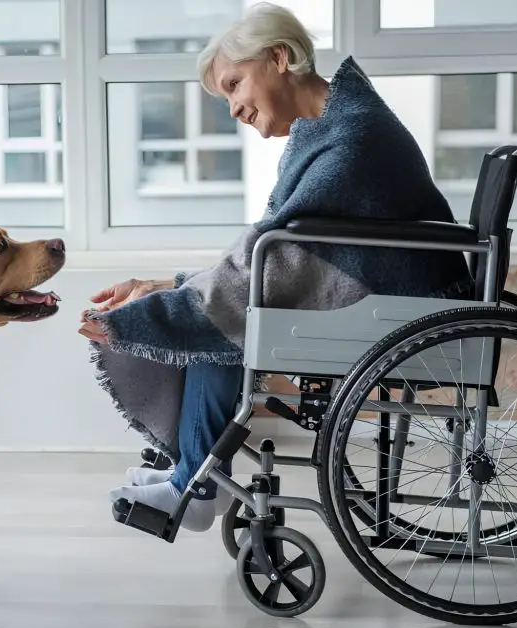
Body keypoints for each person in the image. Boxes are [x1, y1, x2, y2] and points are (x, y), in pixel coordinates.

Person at [79, 2, 473, 532]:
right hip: (394, 299)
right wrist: (166, 287)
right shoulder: (333, 125)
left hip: (404, 315)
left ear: (280, 58)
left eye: (235, 84)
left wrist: (141, 316)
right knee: (232, 311)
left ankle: (193, 485)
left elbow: (277, 261)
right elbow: (277, 253)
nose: (234, 108)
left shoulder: (348, 139)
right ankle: (191, 474)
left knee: (232, 320)